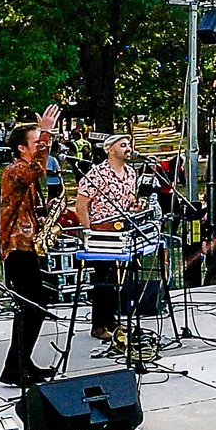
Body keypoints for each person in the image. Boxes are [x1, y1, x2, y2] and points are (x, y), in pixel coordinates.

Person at [0, 105, 61, 386]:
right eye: (36, 143)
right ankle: (15, 367)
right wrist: (47, 132)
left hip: (27, 246)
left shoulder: (25, 175)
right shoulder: (15, 169)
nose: (42, 148)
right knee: (33, 306)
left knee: (34, 307)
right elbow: (37, 167)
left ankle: (21, 363)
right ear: (22, 148)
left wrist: (46, 211)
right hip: (17, 248)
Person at [76, 133, 143, 342]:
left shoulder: (131, 173)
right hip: (101, 232)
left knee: (116, 278)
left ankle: (111, 318)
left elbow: (130, 201)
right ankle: (98, 325)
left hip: (121, 231)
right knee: (103, 277)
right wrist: (88, 230)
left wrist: (136, 207)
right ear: (110, 149)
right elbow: (81, 204)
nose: (128, 148)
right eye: (123, 145)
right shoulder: (97, 174)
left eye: (128, 145)